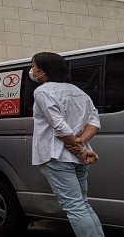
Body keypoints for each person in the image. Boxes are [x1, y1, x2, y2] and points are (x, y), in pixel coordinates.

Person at [29, 52, 103, 237]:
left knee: (75, 206)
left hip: (56, 155)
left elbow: (59, 126)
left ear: (43, 70)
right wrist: (82, 144)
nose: (32, 70)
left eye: (34, 66)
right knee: (83, 203)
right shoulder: (79, 91)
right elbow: (94, 121)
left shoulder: (43, 91)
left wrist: (79, 148)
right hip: (78, 155)